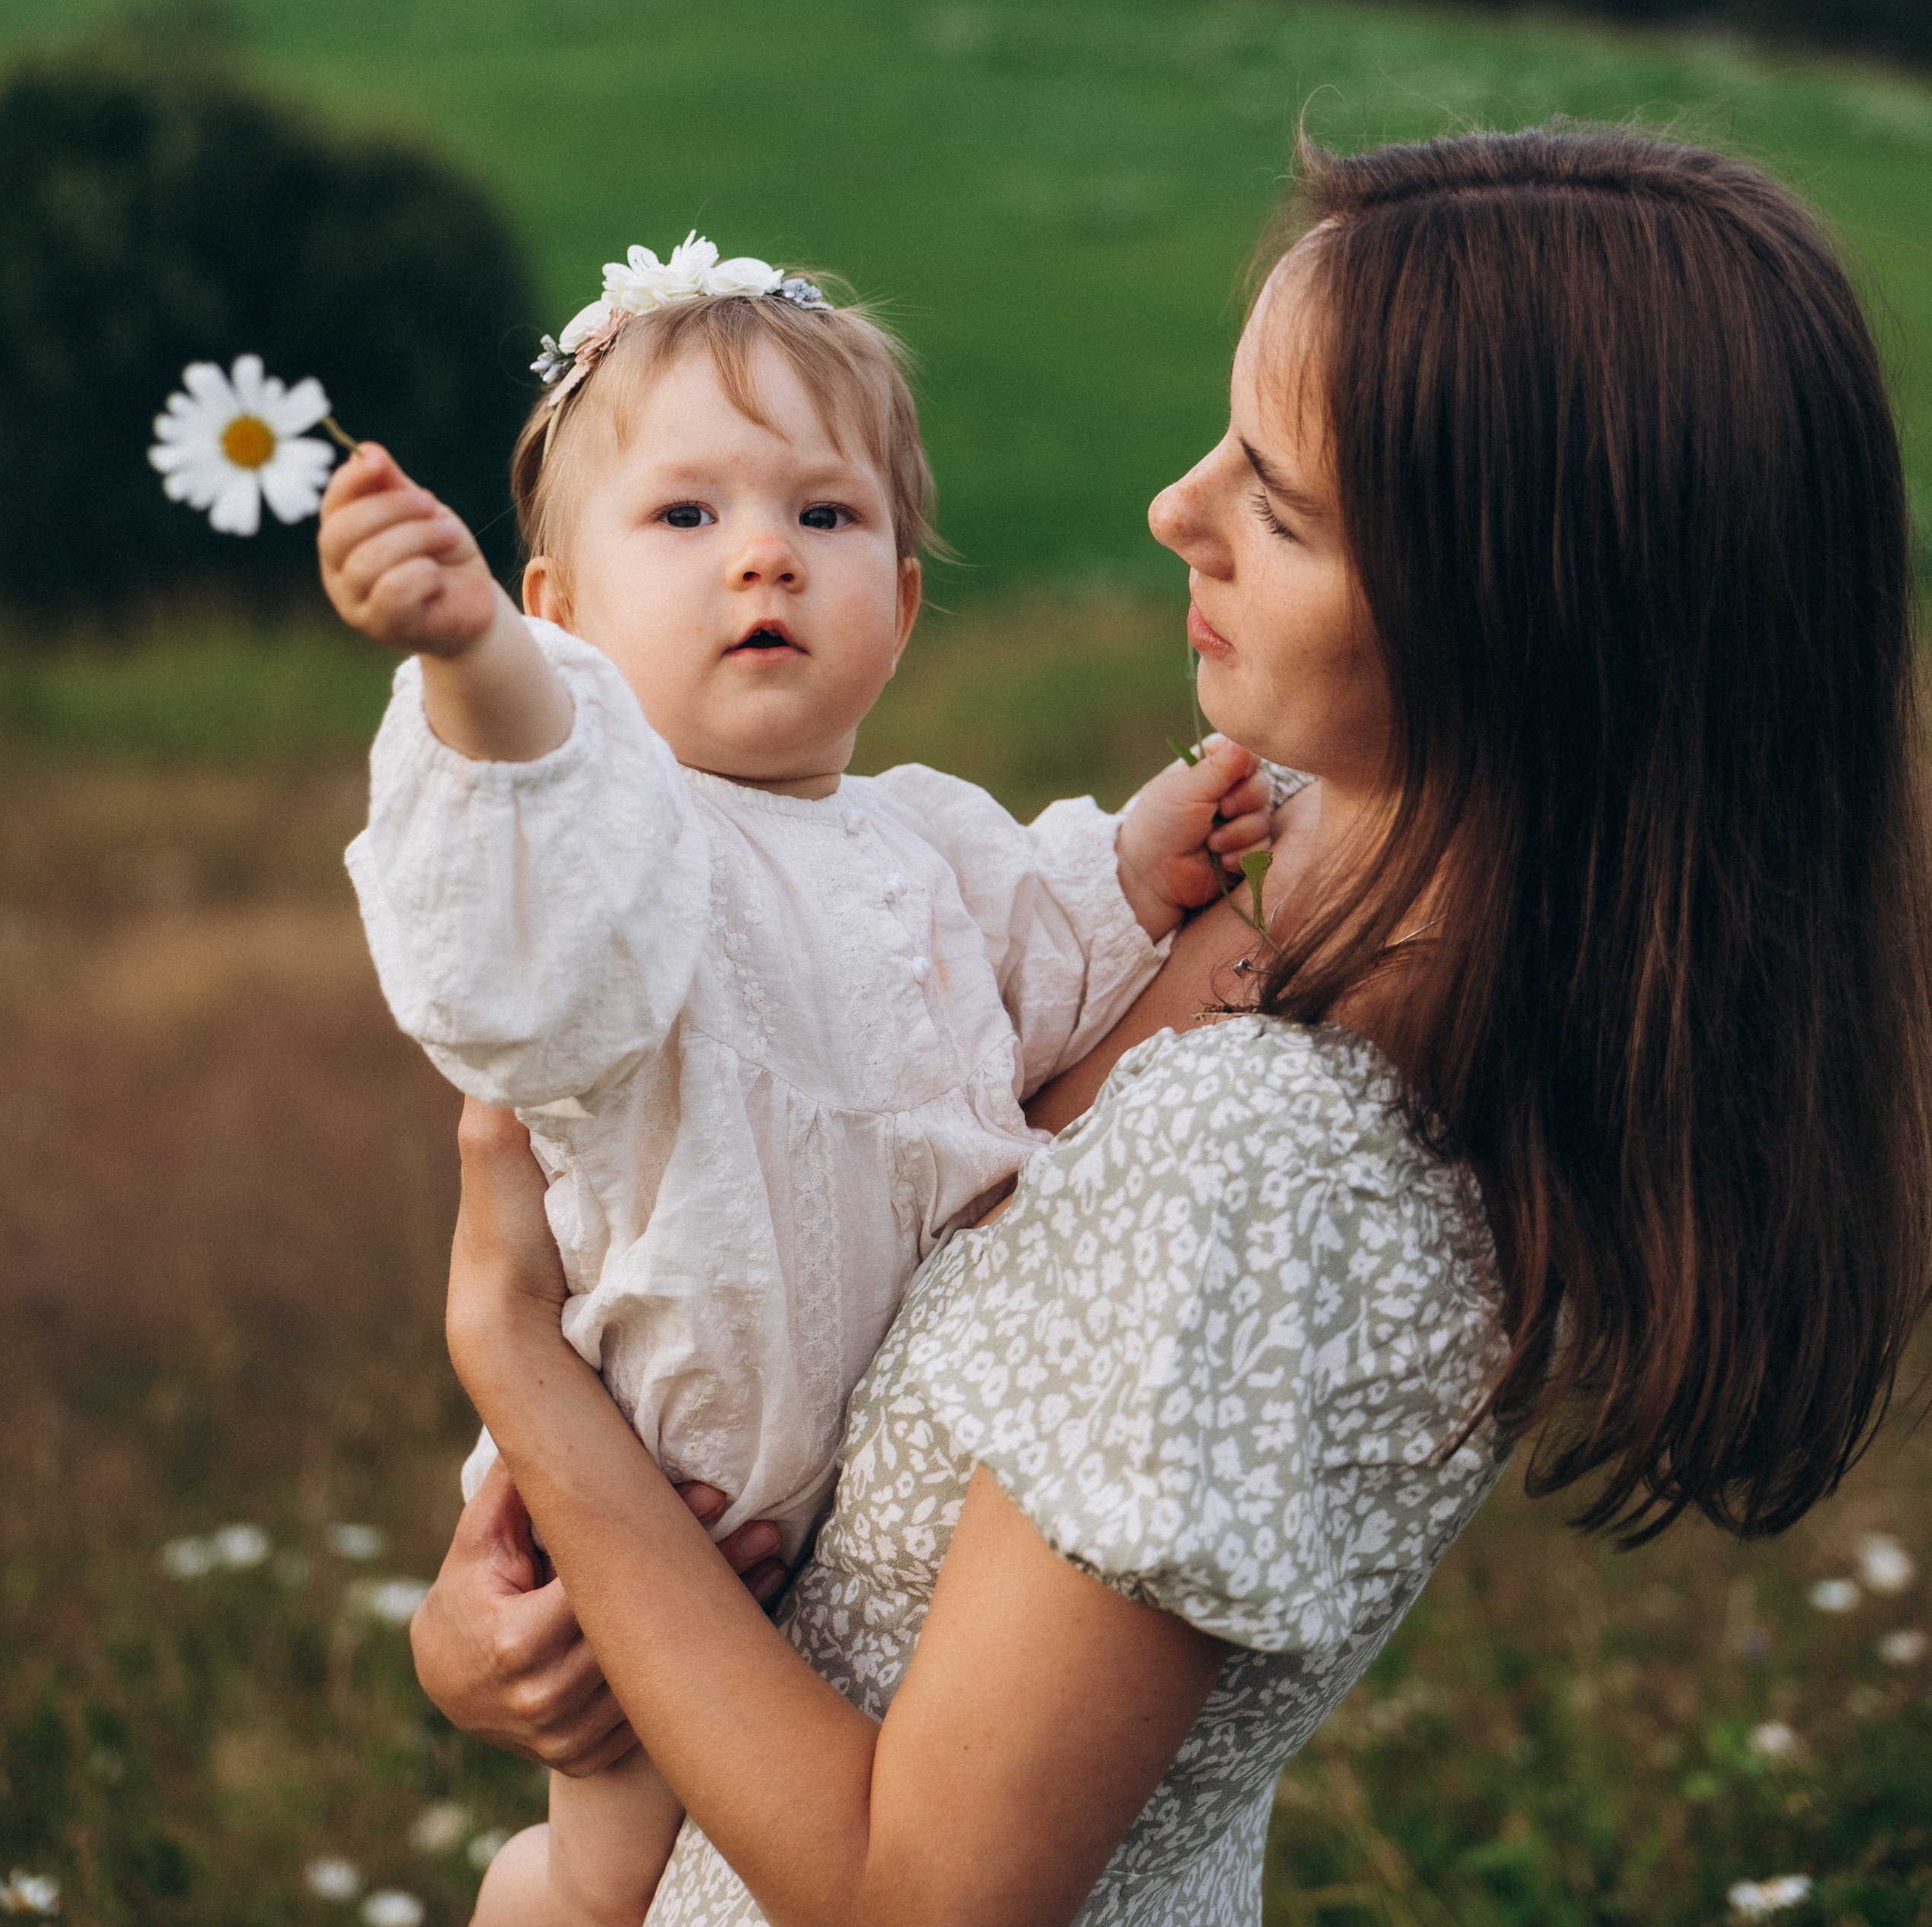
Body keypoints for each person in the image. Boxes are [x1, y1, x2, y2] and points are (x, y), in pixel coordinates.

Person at [418, 127, 1932, 1927]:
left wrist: (517, 1363)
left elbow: (918, 1902)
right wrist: (506, 1635)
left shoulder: (1270, 1155)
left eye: (1276, 504)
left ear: (1507, 623)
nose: (1172, 507)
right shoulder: (1255, 849)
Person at [319, 234, 1279, 1925]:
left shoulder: (925, 835)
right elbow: (503, 967)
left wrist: (1142, 864)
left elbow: (1045, 967)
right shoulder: (620, 853)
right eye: (684, 518)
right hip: (663, 1485)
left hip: (874, 1495)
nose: (761, 553)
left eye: (824, 517)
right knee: (616, 1881)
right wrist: (482, 680)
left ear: (899, 601)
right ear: (566, 615)